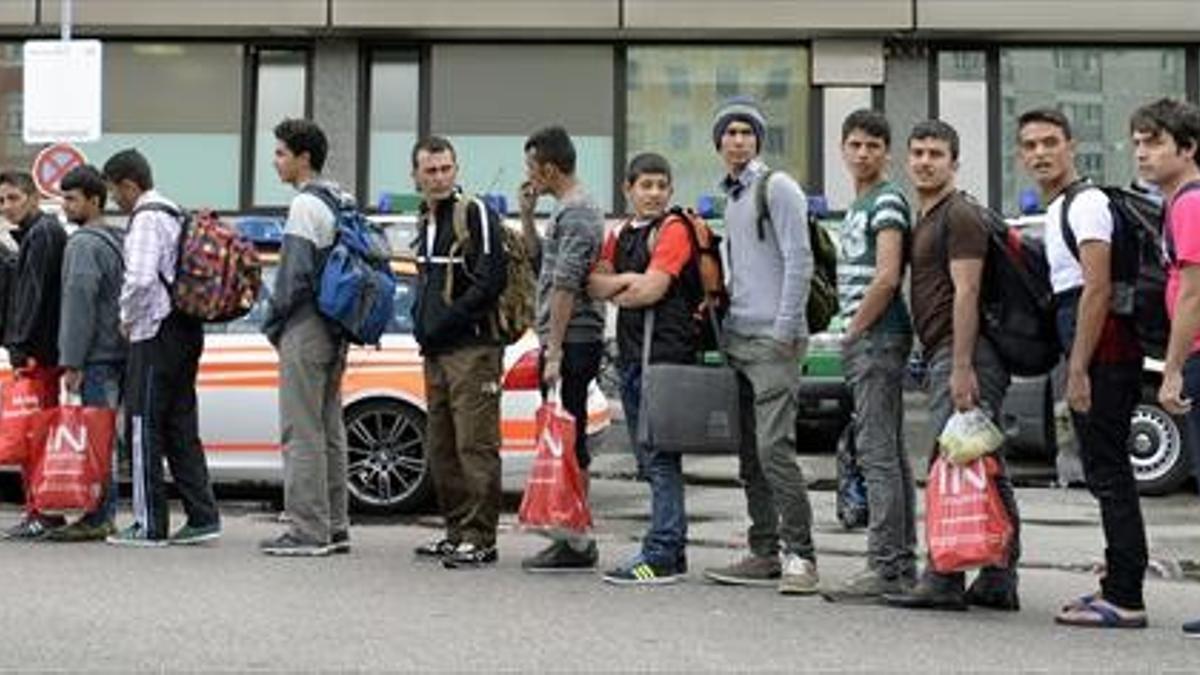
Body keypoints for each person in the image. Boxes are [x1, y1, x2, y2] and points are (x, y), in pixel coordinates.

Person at [1015, 108, 1150, 628]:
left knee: (1110, 472)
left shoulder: (1087, 204)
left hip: (1105, 354)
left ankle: (1125, 596)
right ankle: (1117, 581)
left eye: (1051, 142)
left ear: (1071, 145)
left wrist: (1078, 370)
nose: (1041, 153)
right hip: (1096, 349)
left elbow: (1095, 290)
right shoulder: (1060, 208)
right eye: (1030, 145)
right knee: (1103, 470)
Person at [883, 120, 1021, 611]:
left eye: (935, 153)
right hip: (950, 352)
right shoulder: (931, 215)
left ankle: (944, 578)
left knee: (954, 462)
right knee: (983, 462)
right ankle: (999, 579)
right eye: (917, 152)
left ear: (954, 162)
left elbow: (967, 291)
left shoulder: (958, 214)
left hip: (965, 354)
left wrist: (962, 366)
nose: (924, 160)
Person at [699, 96, 820, 595]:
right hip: (739, 338)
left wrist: (787, 328)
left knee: (774, 450)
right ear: (719, 144)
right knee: (750, 455)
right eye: (729, 133)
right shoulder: (732, 198)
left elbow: (800, 259)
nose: (738, 141)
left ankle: (802, 556)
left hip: (773, 340)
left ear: (758, 141)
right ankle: (764, 550)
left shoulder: (778, 187)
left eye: (747, 133)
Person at [822, 110, 917, 602]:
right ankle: (899, 564)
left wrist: (853, 331)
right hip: (869, 338)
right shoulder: (859, 203)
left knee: (878, 455)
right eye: (855, 145)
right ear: (842, 149)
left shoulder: (887, 202)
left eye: (873, 146)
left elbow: (887, 276)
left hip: (878, 338)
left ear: (887, 153)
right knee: (888, 454)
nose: (863, 154)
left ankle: (885, 566)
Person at [103, 149, 220, 547]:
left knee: (142, 425)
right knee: (181, 426)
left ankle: (149, 523)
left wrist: (126, 318)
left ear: (130, 185)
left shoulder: (148, 218)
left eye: (116, 192)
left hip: (155, 331)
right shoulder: (175, 211)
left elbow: (138, 279)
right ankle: (203, 516)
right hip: (186, 329)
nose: (115, 201)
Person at [588, 152, 696, 585]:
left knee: (660, 458)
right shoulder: (620, 234)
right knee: (650, 458)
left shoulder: (674, 229)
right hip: (635, 358)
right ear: (627, 190)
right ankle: (674, 547)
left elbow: (652, 289)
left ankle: (662, 551)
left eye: (661, 185)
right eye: (645, 185)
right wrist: (623, 286)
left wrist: (623, 287)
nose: (653, 193)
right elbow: (594, 282)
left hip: (665, 359)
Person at [409, 136, 508, 568]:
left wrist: (443, 322)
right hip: (436, 352)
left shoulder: (476, 212)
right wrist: (424, 329)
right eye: (430, 171)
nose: (439, 177)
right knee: (442, 447)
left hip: (473, 348)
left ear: (456, 168)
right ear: (415, 175)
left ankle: (481, 538)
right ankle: (455, 531)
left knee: (476, 445)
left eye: (445, 168)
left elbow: (491, 281)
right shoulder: (425, 219)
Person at [260, 119, 352, 557]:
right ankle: (335, 524)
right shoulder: (339, 198)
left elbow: (293, 278)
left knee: (301, 432)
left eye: (281, 153)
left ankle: (307, 530)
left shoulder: (303, 207)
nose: (275, 161)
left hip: (306, 324)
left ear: (303, 158)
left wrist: (272, 324)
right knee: (329, 428)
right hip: (337, 327)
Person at [518, 125, 605, 573]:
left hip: (573, 339)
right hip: (561, 336)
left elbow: (567, 286)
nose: (529, 175)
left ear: (549, 168)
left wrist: (553, 351)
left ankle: (576, 539)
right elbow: (542, 267)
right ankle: (568, 532)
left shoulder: (579, 213)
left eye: (532, 167)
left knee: (569, 437)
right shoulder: (563, 212)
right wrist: (528, 216)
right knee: (561, 433)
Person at [1140, 98, 1200, 638]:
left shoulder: (1190, 203)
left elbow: (1192, 296)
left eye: (1155, 142)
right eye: (1138, 142)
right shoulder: (1179, 201)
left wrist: (1173, 368)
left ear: (1188, 148)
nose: (1143, 152)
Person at [44, 164, 128, 543]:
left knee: (97, 439)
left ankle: (99, 515)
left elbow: (79, 305)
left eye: (72, 198)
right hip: (122, 352)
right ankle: (106, 512)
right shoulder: (118, 239)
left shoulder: (82, 245)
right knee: (110, 437)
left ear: (95, 201)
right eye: (64, 197)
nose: (65, 205)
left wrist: (72, 361)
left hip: (96, 357)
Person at [0, 170, 67, 540]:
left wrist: (18, 346)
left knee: (34, 435)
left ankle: (42, 512)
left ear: (33, 198)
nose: (7, 207)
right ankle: (39, 510)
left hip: (37, 354)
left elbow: (32, 295)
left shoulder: (41, 235)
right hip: (43, 351)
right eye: (3, 200)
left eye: (13, 198)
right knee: (34, 433)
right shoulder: (40, 233)